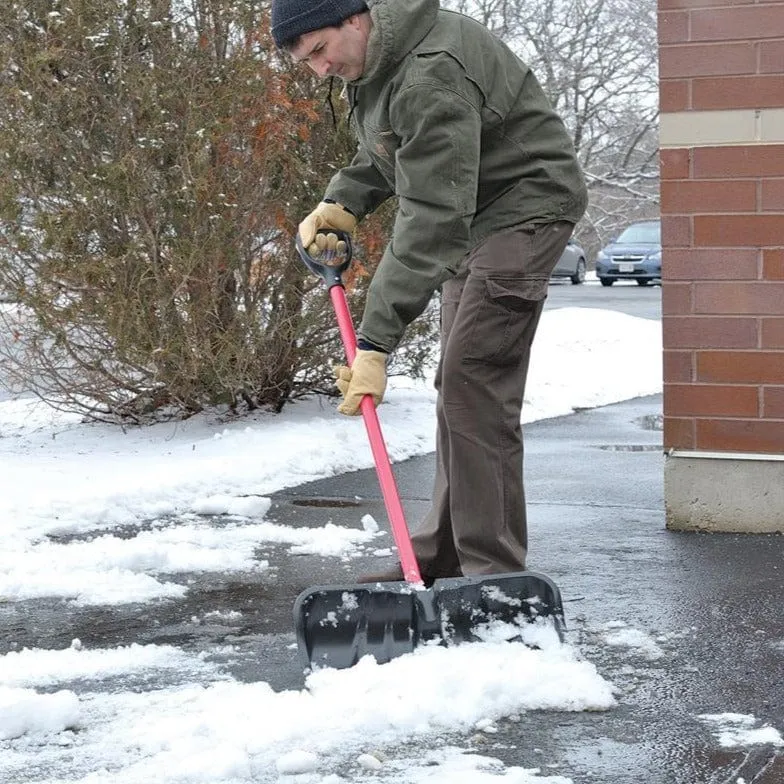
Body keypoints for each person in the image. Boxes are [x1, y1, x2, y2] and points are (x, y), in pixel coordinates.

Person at [271, 0, 587, 585]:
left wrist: (374, 341)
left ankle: (494, 576)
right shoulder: (382, 63)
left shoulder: (428, 71)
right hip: (479, 214)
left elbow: (433, 217)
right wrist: (343, 199)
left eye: (319, 51)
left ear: (354, 19)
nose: (318, 70)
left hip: (523, 210)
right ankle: (443, 553)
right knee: (461, 383)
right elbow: (390, 152)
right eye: (305, 62)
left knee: (476, 382)